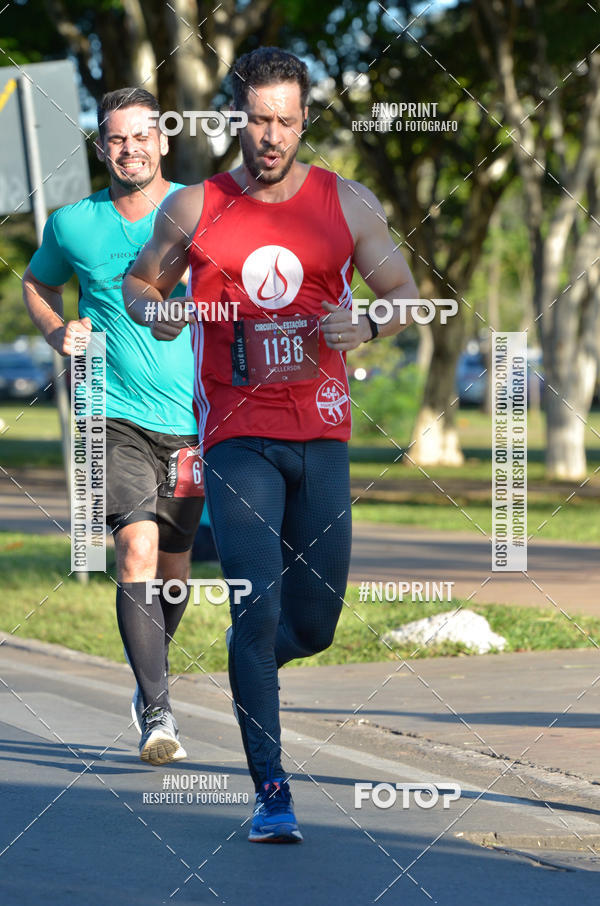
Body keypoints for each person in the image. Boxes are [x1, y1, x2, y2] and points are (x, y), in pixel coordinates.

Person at [122, 47, 418, 841]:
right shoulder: (194, 207)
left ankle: (249, 669)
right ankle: (272, 791)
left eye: (286, 120)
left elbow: (404, 293)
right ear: (235, 120)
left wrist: (373, 321)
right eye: (258, 119)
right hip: (237, 437)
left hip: (322, 432)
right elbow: (140, 287)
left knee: (314, 622)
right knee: (257, 607)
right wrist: (165, 313)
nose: (272, 135)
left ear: (305, 120)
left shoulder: (346, 203)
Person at [22, 88, 204, 766]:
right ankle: (158, 713)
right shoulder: (73, 224)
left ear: (162, 141)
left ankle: (148, 677)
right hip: (111, 413)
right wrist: (55, 330)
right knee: (135, 551)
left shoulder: (200, 210)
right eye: (115, 139)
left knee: (177, 567)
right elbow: (38, 286)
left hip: (191, 418)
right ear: (103, 148)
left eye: (141, 136)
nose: (129, 149)